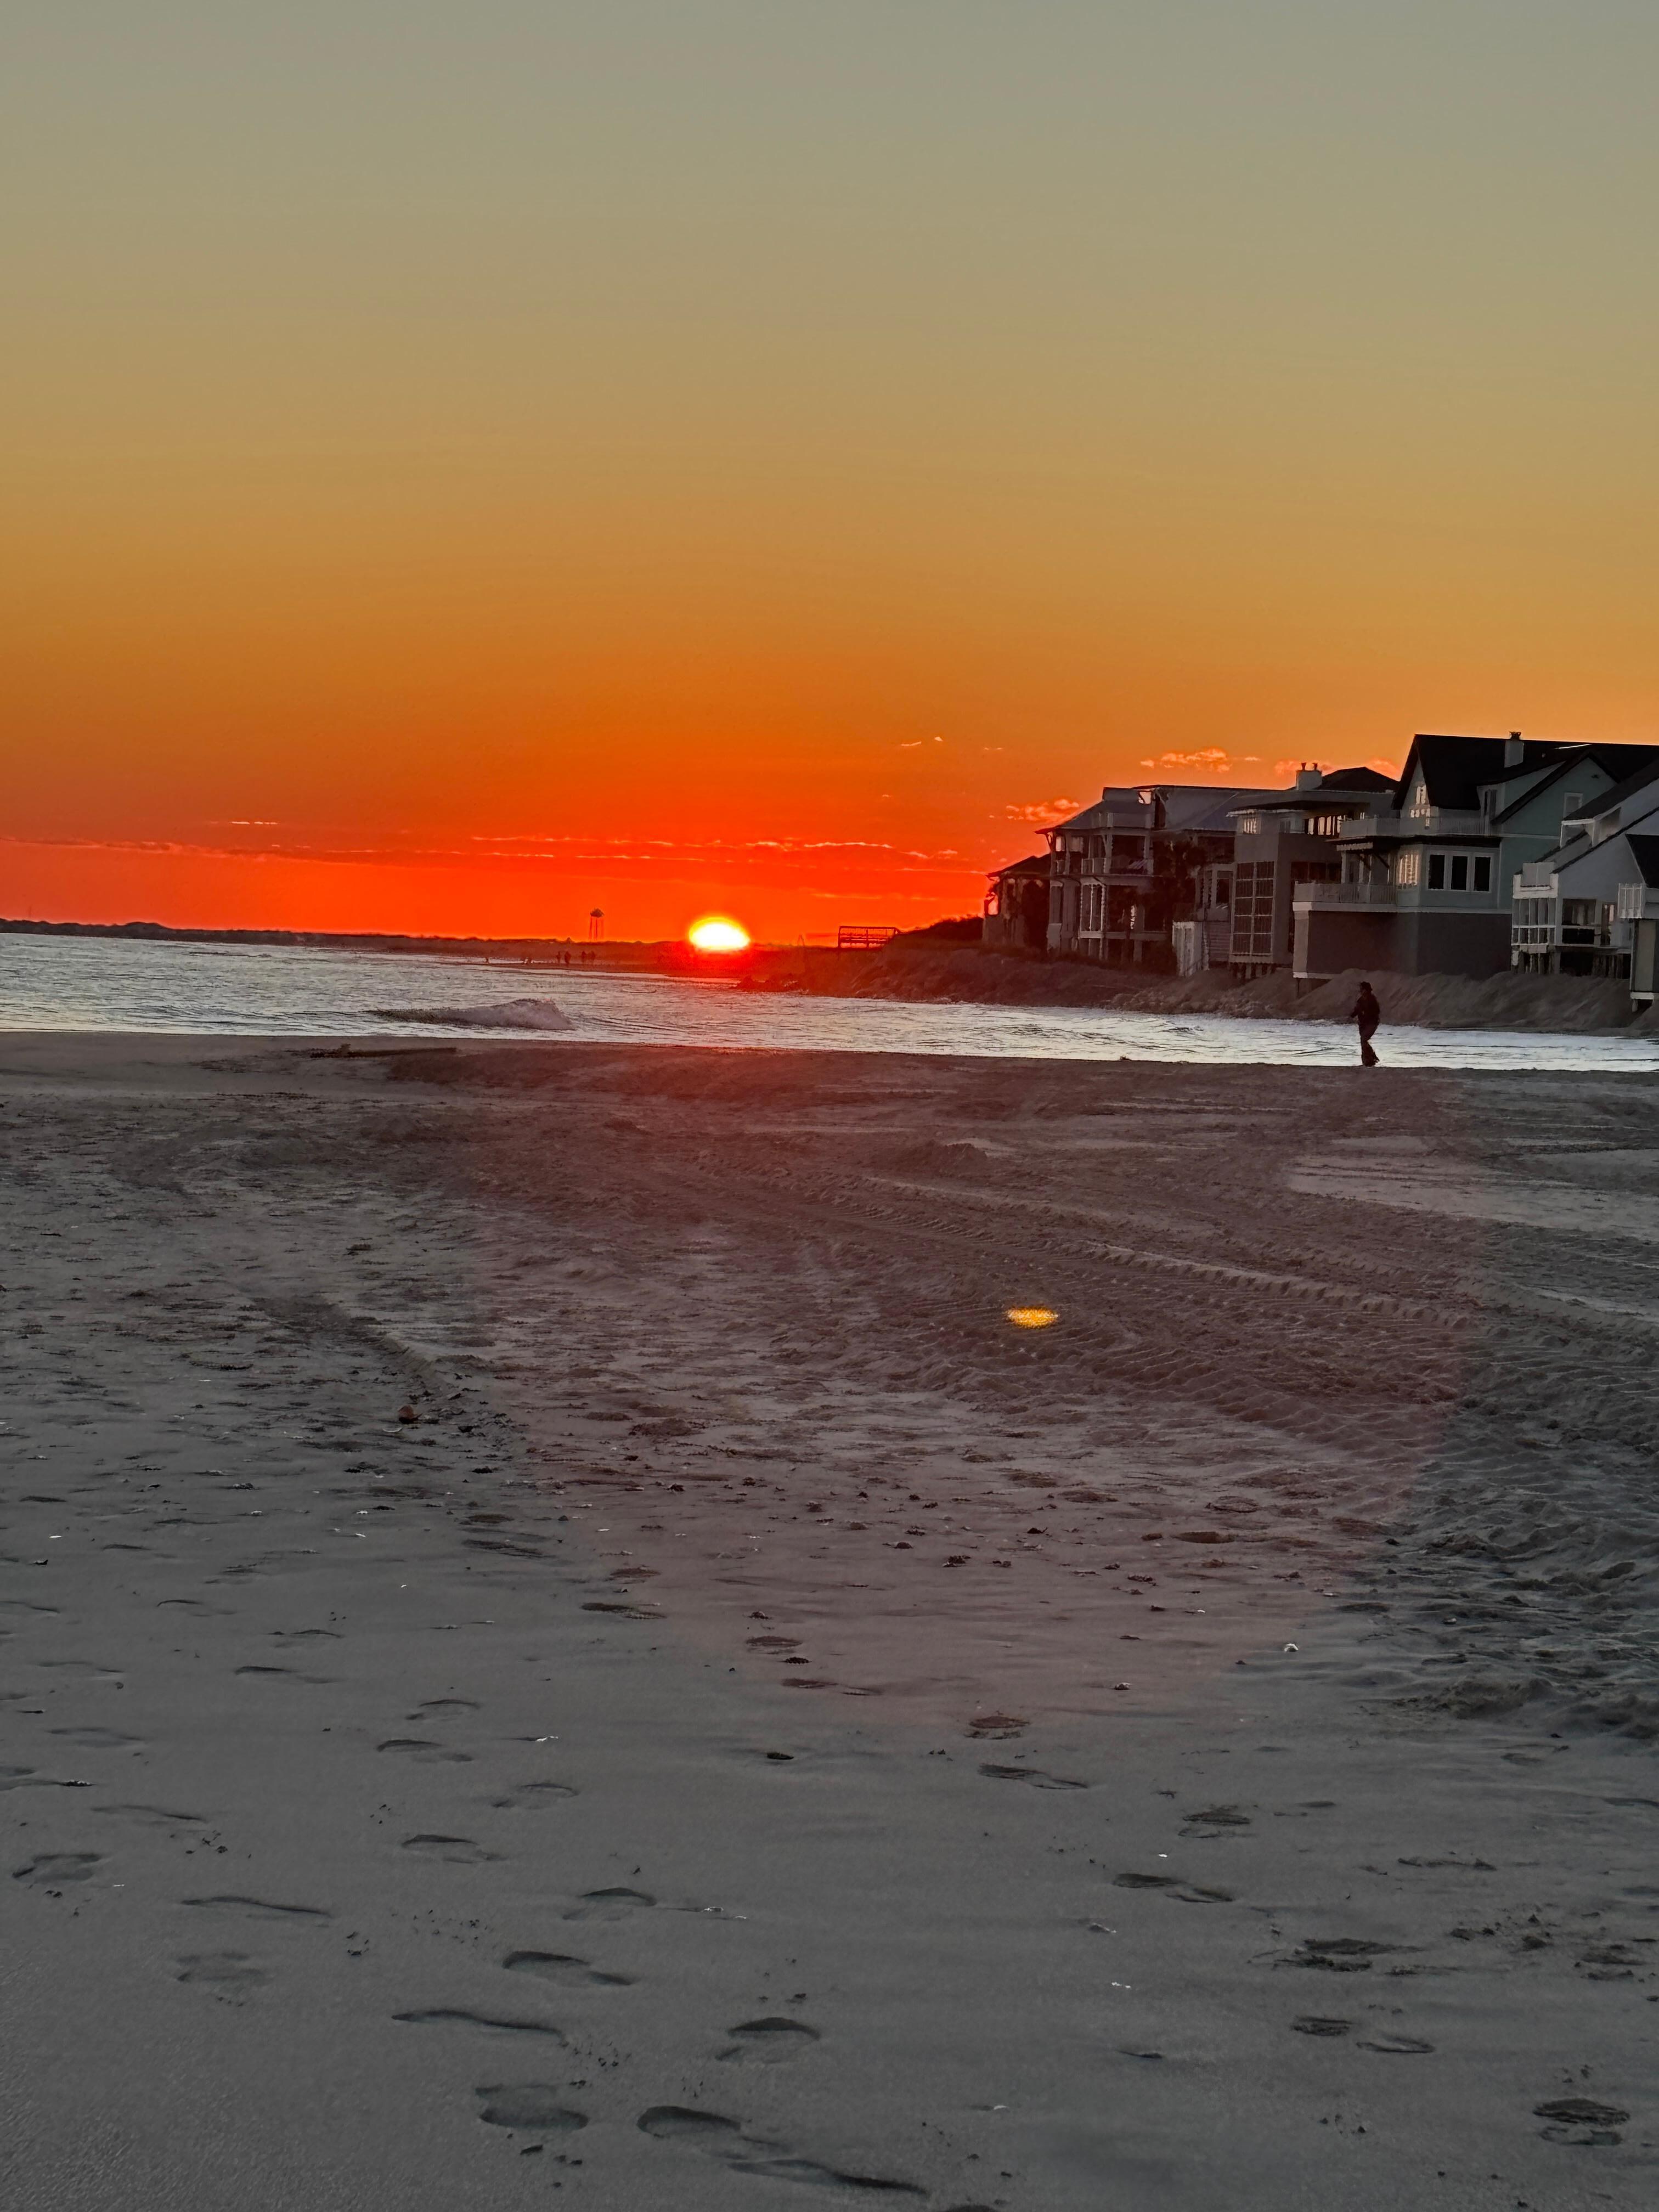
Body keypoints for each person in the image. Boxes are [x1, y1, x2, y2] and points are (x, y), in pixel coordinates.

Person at [1351, 979, 1381, 1067]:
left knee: (1364, 1040)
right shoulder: (1360, 1000)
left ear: (1367, 990)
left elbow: (1376, 1011)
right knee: (1363, 1041)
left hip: (1372, 1023)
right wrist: (1352, 1016)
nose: (1361, 991)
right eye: (1361, 989)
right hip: (1363, 1024)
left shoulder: (1372, 1000)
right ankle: (1369, 1060)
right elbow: (1357, 1010)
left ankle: (1370, 1059)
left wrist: (1367, 1016)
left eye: (1362, 989)